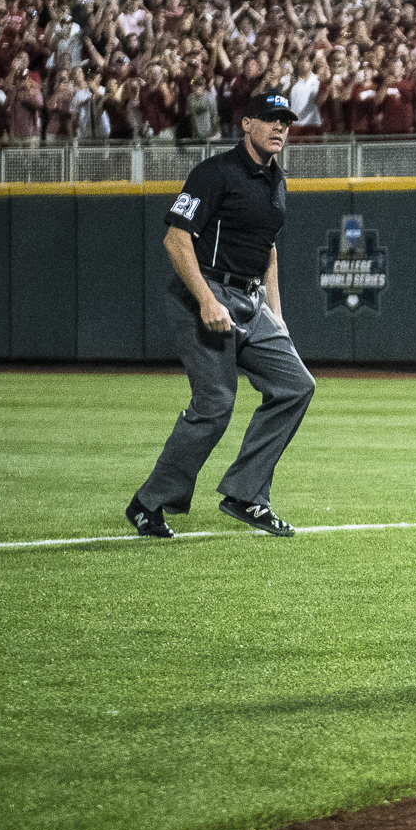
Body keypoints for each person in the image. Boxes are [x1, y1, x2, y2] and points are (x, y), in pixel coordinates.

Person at [125, 93, 316, 540]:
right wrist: (207, 301)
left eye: (285, 121)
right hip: (206, 291)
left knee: (296, 386)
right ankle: (148, 502)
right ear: (246, 123)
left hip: (251, 301)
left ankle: (246, 494)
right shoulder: (216, 173)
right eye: (270, 119)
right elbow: (176, 238)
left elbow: (267, 248)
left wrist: (277, 312)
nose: (279, 128)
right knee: (215, 403)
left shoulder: (276, 181)